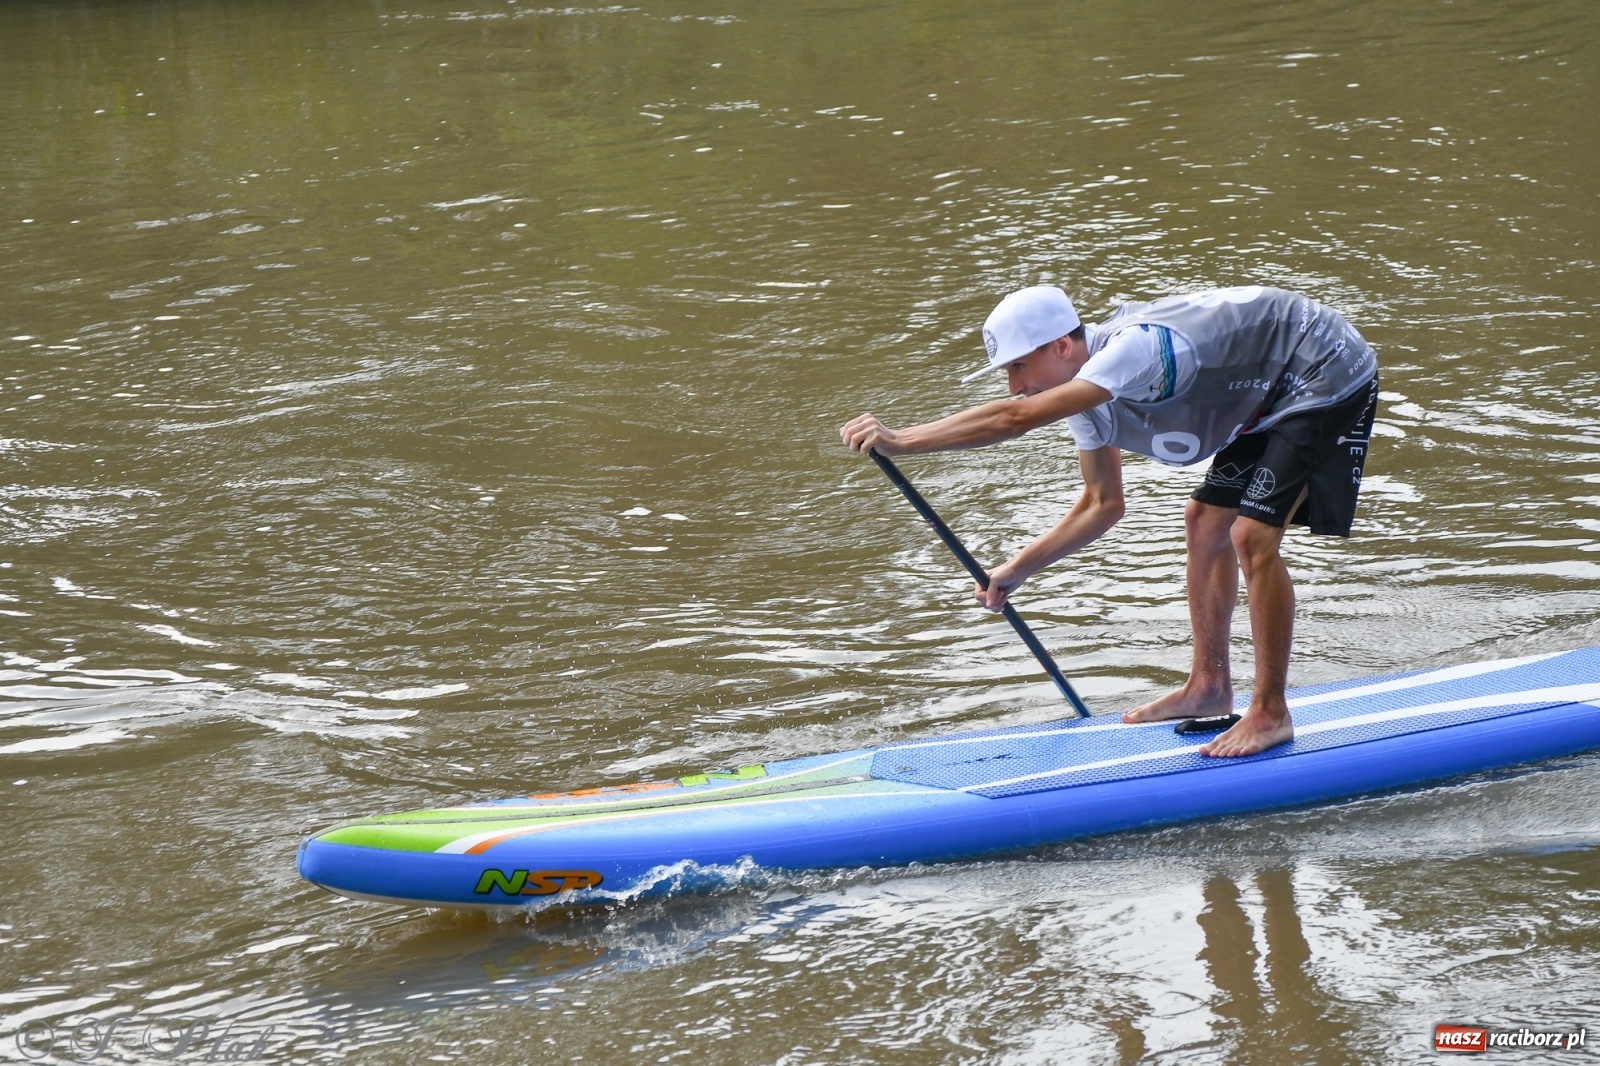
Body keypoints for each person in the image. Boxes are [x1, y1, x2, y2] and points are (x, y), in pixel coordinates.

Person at [840, 284, 1378, 757]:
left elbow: (1013, 420)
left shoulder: (1134, 351)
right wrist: (1018, 569)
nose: (1013, 385)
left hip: (1321, 368)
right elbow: (1103, 503)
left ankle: (1271, 712)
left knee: (1250, 535)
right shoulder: (1084, 399)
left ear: (1061, 347)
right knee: (1203, 521)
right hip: (1268, 388)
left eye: (1018, 366)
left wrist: (903, 439)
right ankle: (1210, 686)